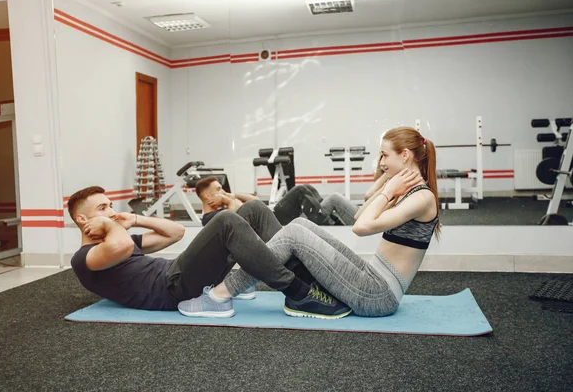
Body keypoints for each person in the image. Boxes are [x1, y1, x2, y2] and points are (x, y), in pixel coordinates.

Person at [179, 126, 440, 318]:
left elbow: (362, 228)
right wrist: (387, 180)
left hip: (378, 295)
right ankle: (238, 283)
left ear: (405, 155)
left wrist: (388, 188)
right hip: (370, 277)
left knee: (293, 234)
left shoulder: (422, 197)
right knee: (302, 226)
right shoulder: (407, 189)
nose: (381, 162)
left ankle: (221, 295)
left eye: (384, 156)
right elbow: (360, 215)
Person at [67, 186, 351, 318]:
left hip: (177, 272)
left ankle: (308, 280)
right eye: (102, 209)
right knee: (225, 220)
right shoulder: (84, 259)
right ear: (83, 220)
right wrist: (109, 225)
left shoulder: (119, 240)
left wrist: (136, 219)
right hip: (171, 289)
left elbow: (175, 233)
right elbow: (123, 246)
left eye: (110, 205)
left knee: (251, 209)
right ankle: (299, 293)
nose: (111, 212)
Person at [195, 178, 357, 227]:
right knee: (300, 192)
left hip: (270, 215)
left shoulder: (227, 202)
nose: (221, 192)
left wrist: (230, 194)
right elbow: (232, 221)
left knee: (307, 188)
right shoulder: (211, 218)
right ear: (208, 198)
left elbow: (256, 201)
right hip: (272, 223)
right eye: (217, 190)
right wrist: (227, 200)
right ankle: (328, 223)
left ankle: (327, 219)